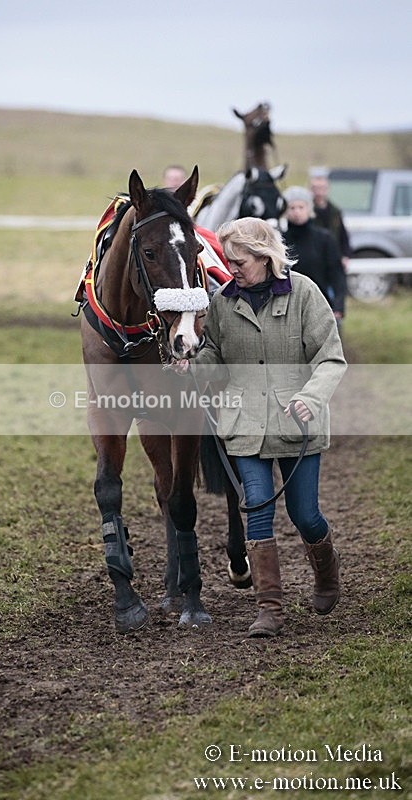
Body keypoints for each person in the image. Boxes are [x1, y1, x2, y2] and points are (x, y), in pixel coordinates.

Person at [176, 217, 347, 638]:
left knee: (304, 514)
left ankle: (327, 573)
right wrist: (191, 366)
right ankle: (269, 609)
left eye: (240, 261)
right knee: (255, 507)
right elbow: (216, 356)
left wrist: (309, 398)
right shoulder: (223, 302)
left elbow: (330, 358)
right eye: (229, 261)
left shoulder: (305, 293)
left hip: (296, 421)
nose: (231, 269)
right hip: (245, 424)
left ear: (264, 255)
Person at [282, 186, 347, 325]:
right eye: (292, 208)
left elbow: (337, 274)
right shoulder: (280, 241)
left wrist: (338, 305)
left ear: (309, 209)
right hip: (288, 308)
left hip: (321, 305)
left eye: (301, 207)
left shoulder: (325, 239)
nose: (297, 212)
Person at [309, 168, 351, 270]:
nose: (319, 192)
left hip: (333, 257)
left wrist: (346, 256)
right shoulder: (307, 212)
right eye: (316, 188)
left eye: (322, 188)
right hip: (314, 259)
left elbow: (342, 234)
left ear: (327, 189)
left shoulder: (335, 211)